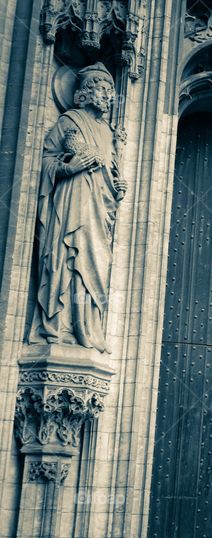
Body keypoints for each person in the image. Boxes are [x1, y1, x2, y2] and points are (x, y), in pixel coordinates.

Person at [30, 63, 127, 353]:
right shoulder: (69, 121)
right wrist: (69, 168)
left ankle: (87, 329)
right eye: (101, 88)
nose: (107, 95)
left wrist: (117, 187)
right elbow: (46, 161)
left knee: (96, 263)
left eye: (110, 90)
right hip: (71, 204)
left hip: (99, 211)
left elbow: (109, 173)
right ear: (84, 92)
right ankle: (59, 326)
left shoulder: (108, 133)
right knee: (68, 260)